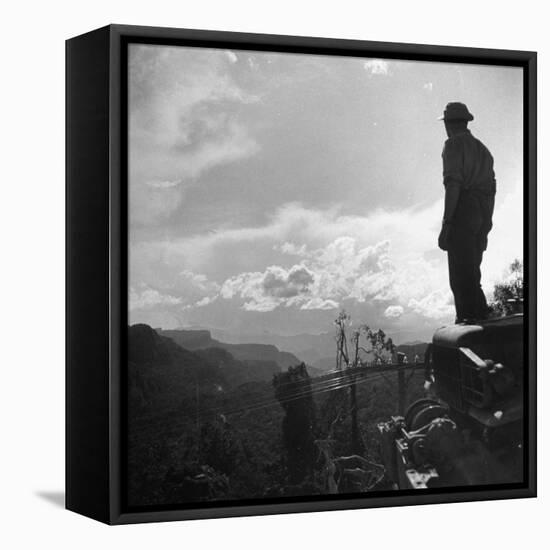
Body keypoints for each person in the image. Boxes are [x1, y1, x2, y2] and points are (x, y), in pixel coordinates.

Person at [437, 102, 496, 323]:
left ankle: (469, 327)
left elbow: (453, 185)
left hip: (464, 210)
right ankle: (480, 321)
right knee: (472, 274)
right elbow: (491, 190)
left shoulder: (452, 145)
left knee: (461, 279)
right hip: (482, 212)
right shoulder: (483, 150)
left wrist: (447, 225)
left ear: (449, 124)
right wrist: (486, 225)